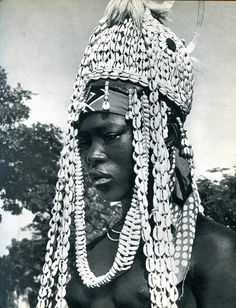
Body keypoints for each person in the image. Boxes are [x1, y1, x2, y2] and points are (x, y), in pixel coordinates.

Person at [37, 1, 236, 307]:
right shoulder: (81, 261)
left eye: (110, 135)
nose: (93, 155)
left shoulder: (214, 251)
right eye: (85, 141)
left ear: (163, 133)